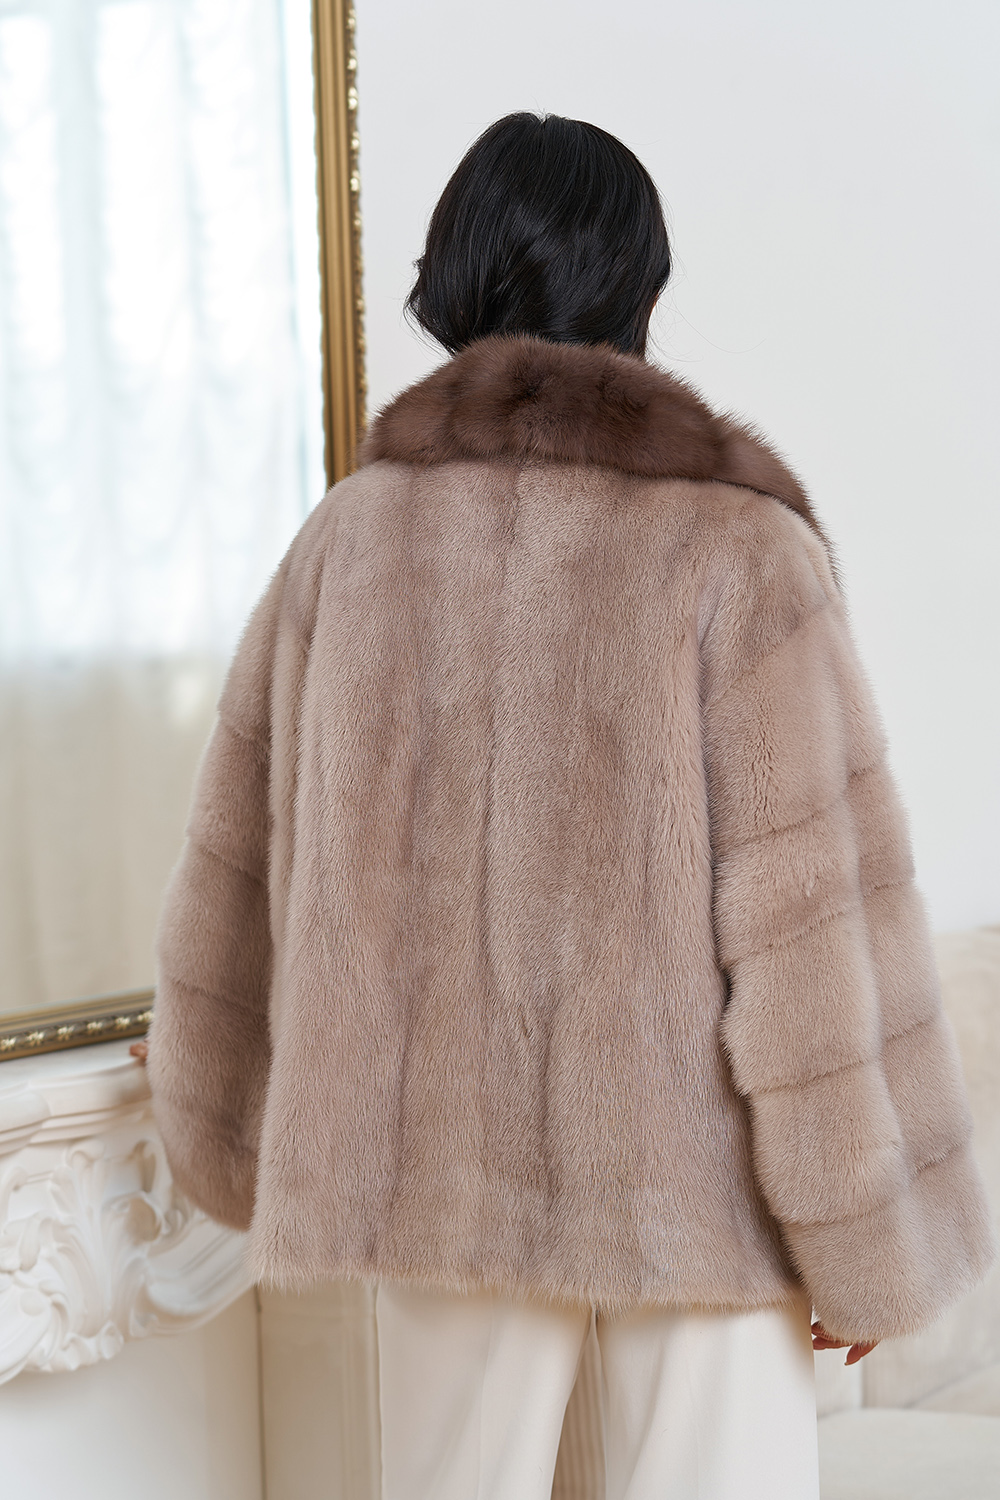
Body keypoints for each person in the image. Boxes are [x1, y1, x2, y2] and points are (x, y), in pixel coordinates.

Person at [142, 112, 994, 1499]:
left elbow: (245, 872)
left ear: (454, 279)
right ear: (639, 285)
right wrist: (865, 1245)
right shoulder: (741, 551)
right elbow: (811, 942)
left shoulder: (347, 542)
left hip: (434, 1185)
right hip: (696, 1197)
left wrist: (224, 1127)